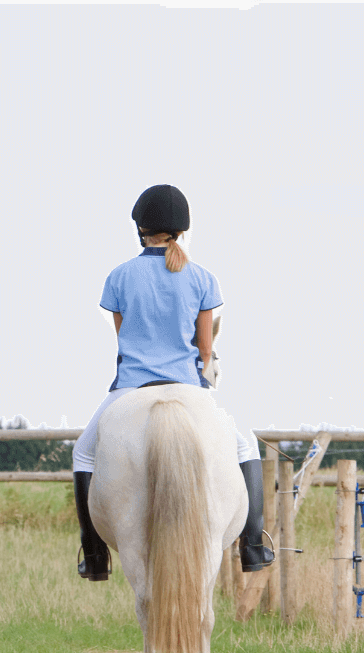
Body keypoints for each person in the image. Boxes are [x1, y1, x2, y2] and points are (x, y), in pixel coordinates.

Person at [71, 184, 274, 580]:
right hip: (188, 384)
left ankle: (94, 554)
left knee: (83, 453)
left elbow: (123, 337)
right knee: (245, 445)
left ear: (141, 229)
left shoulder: (119, 277)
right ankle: (252, 545)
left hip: (131, 386)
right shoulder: (201, 278)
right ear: (181, 230)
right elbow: (204, 349)